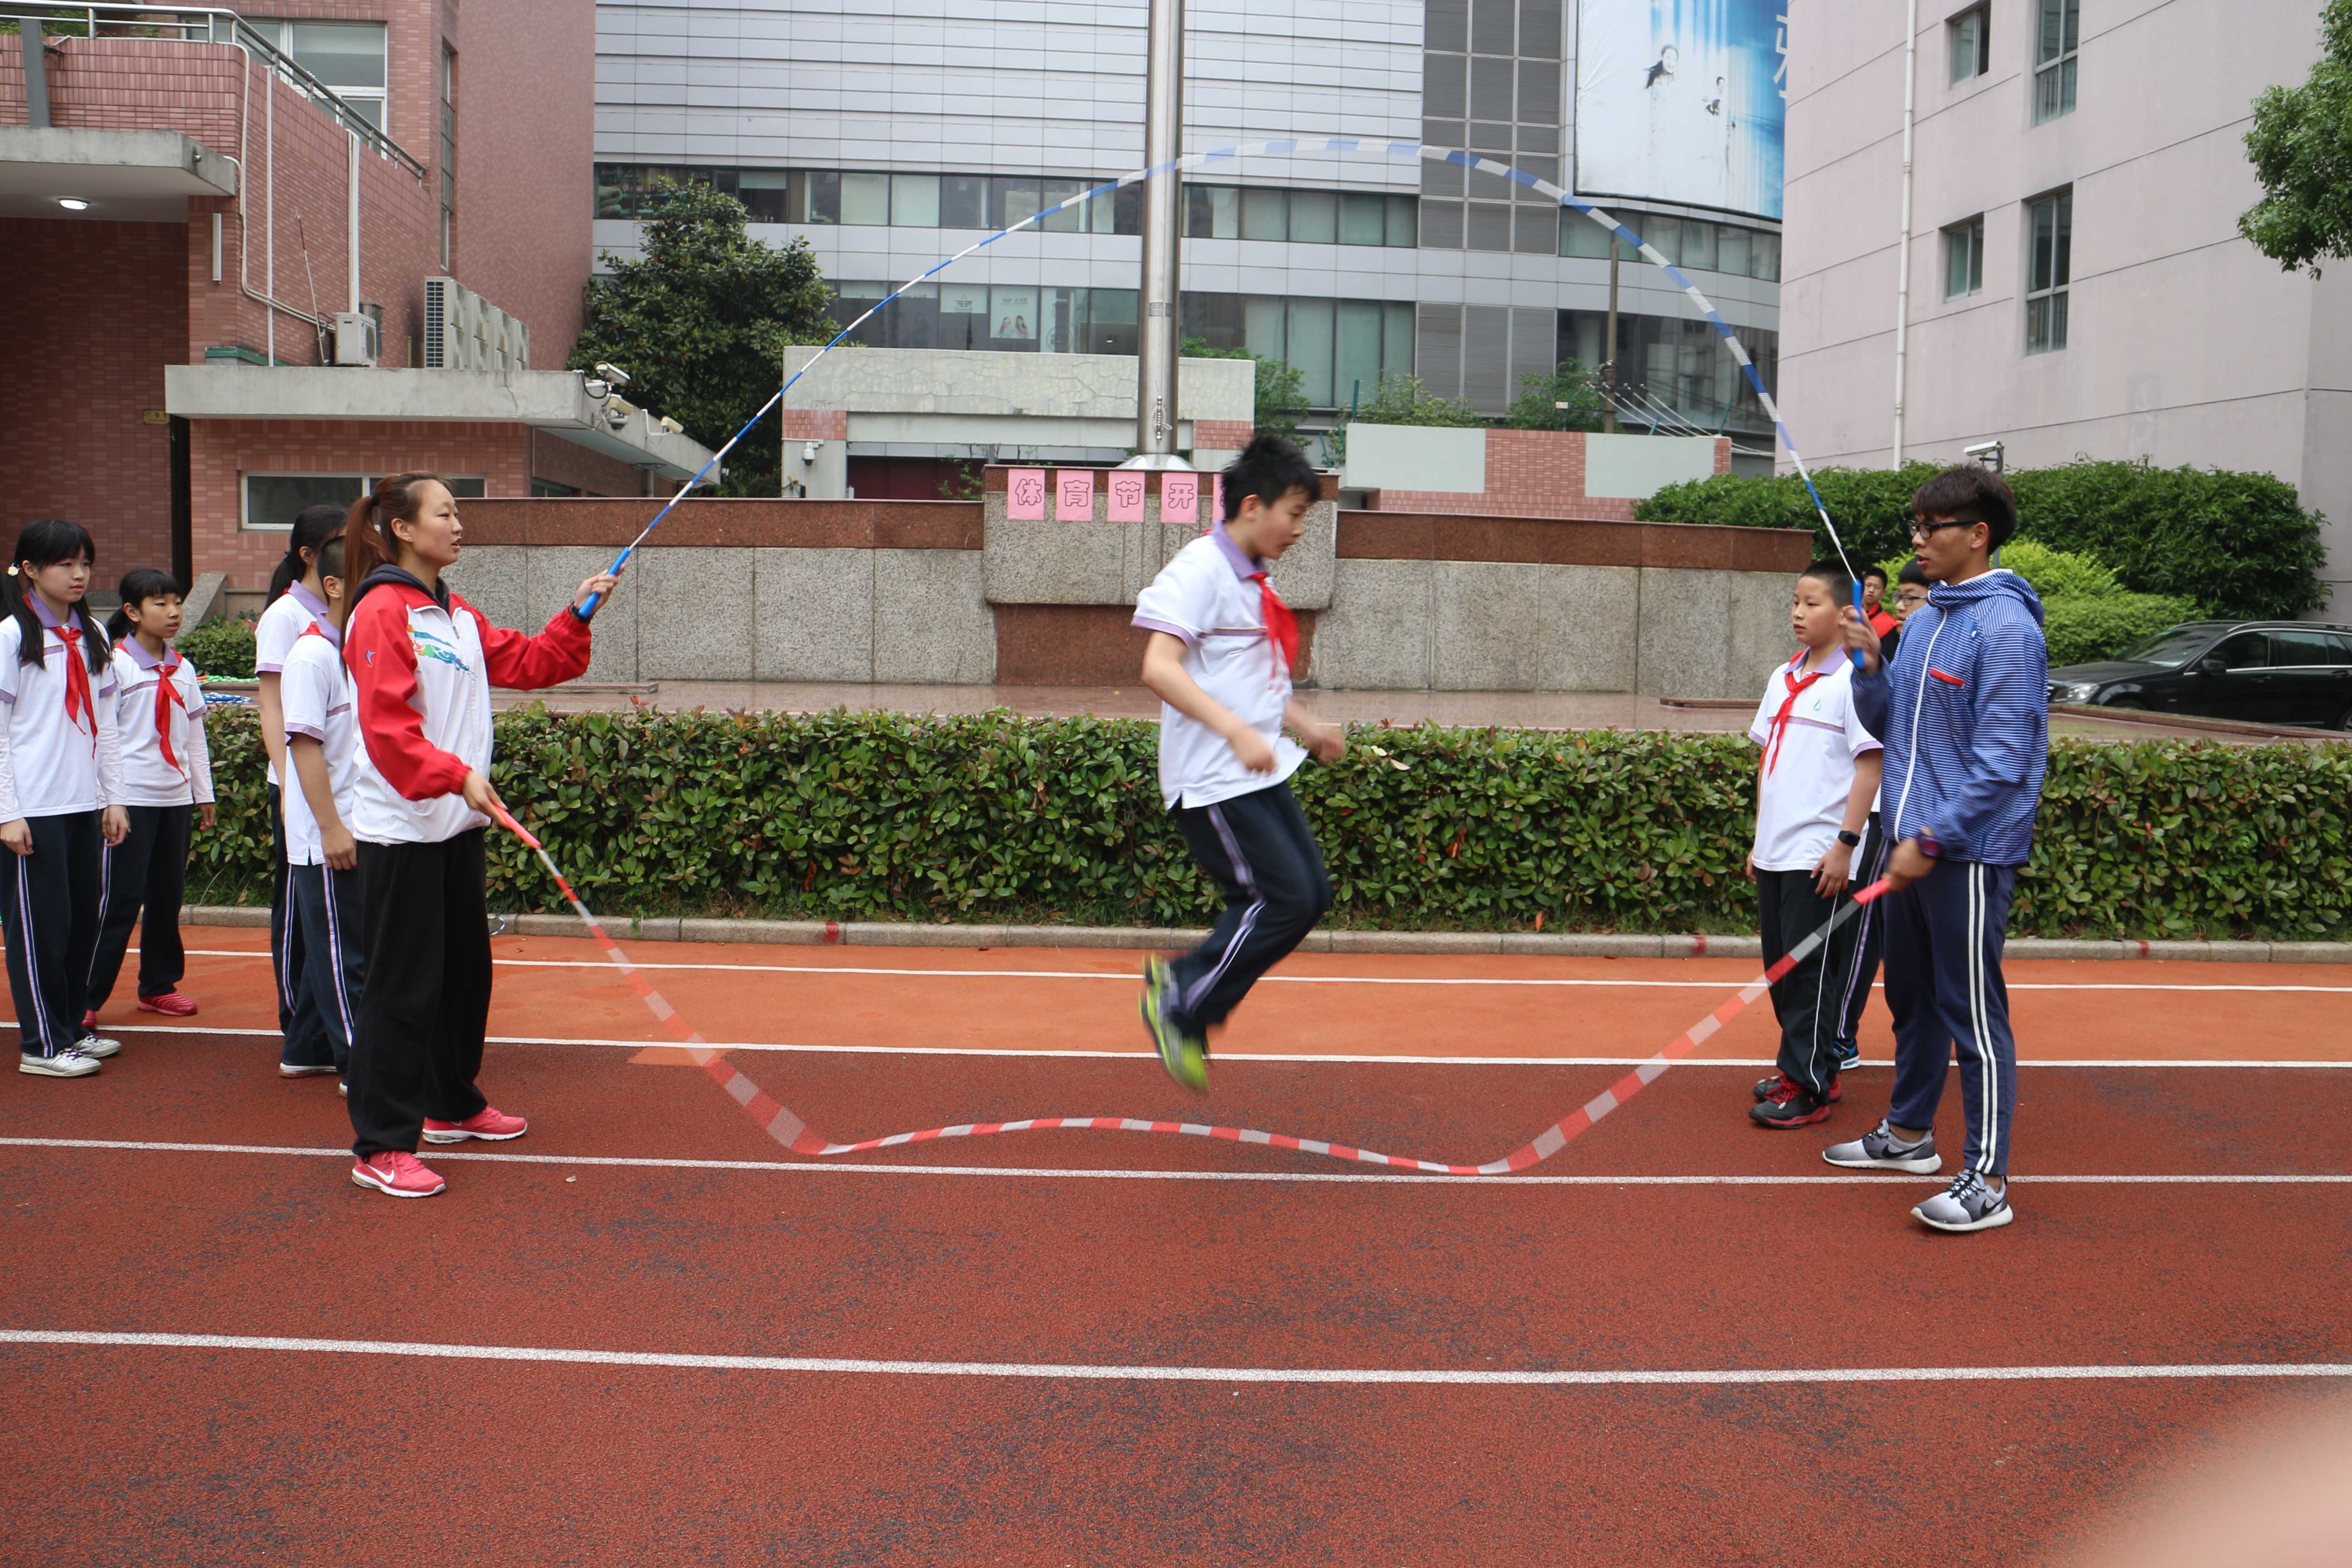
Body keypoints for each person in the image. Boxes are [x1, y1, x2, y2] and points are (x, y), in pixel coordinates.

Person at [338, 473, 617, 1198]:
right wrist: (454, 773)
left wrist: (577, 615)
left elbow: (529, 661)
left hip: (456, 826)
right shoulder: (380, 614)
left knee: (463, 978)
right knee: (400, 991)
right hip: (402, 831)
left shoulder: (454, 614)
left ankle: (451, 1104)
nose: (460, 524)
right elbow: (387, 728)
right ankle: (380, 1144)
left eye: (458, 512)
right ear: (402, 528)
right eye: (446, 513)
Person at [1827, 465, 2047, 1234]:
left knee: (1971, 1015)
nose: (1916, 539)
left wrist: (1931, 836)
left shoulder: (2007, 629)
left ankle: (1987, 1179)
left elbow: (2003, 761)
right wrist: (1866, 666)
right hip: (1912, 840)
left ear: (1976, 535)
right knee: (1911, 997)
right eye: (1914, 525)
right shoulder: (1924, 622)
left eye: (1932, 526)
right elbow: (1892, 726)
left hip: (1965, 852)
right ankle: (1908, 1135)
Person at [1131, 435, 1345, 1090]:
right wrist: (1232, 732)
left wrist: (1306, 728)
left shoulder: (1252, 580)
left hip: (1257, 771)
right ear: (1253, 505)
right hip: (1212, 781)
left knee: (1310, 895)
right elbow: (1156, 667)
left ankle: (1187, 987)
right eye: (1296, 512)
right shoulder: (1200, 569)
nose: (1300, 529)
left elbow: (1253, 686)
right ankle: (1183, 997)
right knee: (1278, 898)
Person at [1746, 562, 1885, 1128]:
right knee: (1781, 967)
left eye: (1812, 604)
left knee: (1811, 973)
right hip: (1777, 848)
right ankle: (1814, 1063)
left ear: (1845, 614)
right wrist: (1759, 839)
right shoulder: (1783, 675)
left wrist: (1845, 846)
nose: (1799, 613)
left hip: (1821, 852)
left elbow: (1871, 767)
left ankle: (1806, 1085)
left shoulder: (1855, 683)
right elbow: (1767, 762)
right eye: (1794, 602)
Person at [1, 520, 129, 1078]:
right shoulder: (11, 636)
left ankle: (72, 1026)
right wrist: (8, 812)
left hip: (83, 803)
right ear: (30, 569)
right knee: (40, 927)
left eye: (85, 563)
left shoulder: (94, 635)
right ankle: (42, 1044)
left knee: (81, 924)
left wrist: (115, 798)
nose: (79, 575)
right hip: (34, 808)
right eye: (65, 565)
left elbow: (109, 725)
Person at [85, 568, 215, 1026]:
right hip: (131, 799)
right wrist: (111, 799)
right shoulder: (114, 665)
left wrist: (204, 793)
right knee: (117, 900)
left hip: (174, 800)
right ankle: (85, 996)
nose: (174, 611)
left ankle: (158, 985)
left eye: (177, 601)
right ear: (132, 612)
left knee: (168, 897)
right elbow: (107, 737)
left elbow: (194, 735)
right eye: (160, 603)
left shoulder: (184, 669)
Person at [255, 505, 343, 1078]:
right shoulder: (287, 616)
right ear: (312, 556)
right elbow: (272, 704)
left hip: (333, 783)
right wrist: (289, 786)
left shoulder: (346, 612)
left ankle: (314, 1037)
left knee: (331, 924)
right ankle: (300, 1029)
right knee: (299, 916)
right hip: (298, 786)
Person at [279, 534, 363, 1090]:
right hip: (330, 834)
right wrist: (330, 829)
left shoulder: (362, 648)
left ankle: (308, 1046)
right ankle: (365, 1068)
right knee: (345, 956)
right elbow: (304, 747)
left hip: (363, 824)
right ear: (333, 586)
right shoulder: (312, 654)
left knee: (342, 949)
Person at [1861, 567, 1899, 642]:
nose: (1871, 590)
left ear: (1883, 593)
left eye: (1877, 587)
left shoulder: (1889, 625)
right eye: (1868, 585)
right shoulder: (1851, 615)